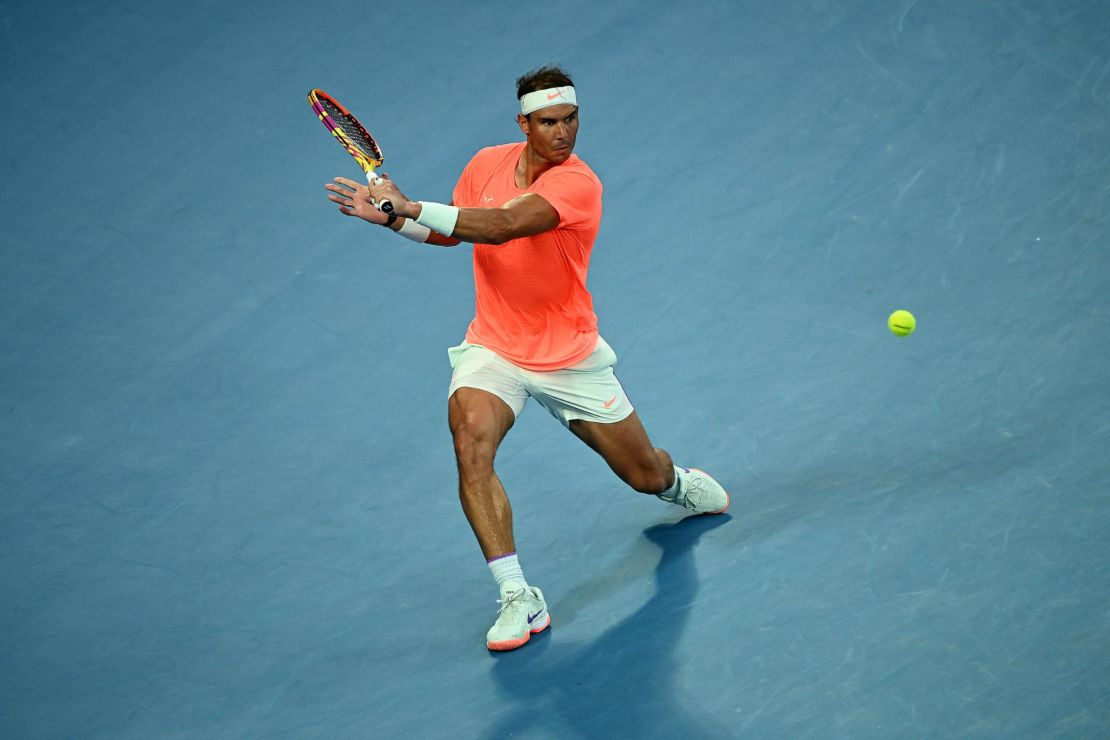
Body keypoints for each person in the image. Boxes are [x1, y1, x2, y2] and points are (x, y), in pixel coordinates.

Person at [324, 65, 729, 652]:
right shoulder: (485, 162)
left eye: (571, 120)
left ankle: (675, 484)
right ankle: (517, 594)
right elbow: (453, 233)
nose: (563, 133)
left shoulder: (578, 184)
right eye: (548, 122)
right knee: (470, 441)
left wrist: (410, 207)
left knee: (642, 474)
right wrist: (392, 219)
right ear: (523, 123)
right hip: (494, 345)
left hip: (568, 356)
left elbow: (506, 225)